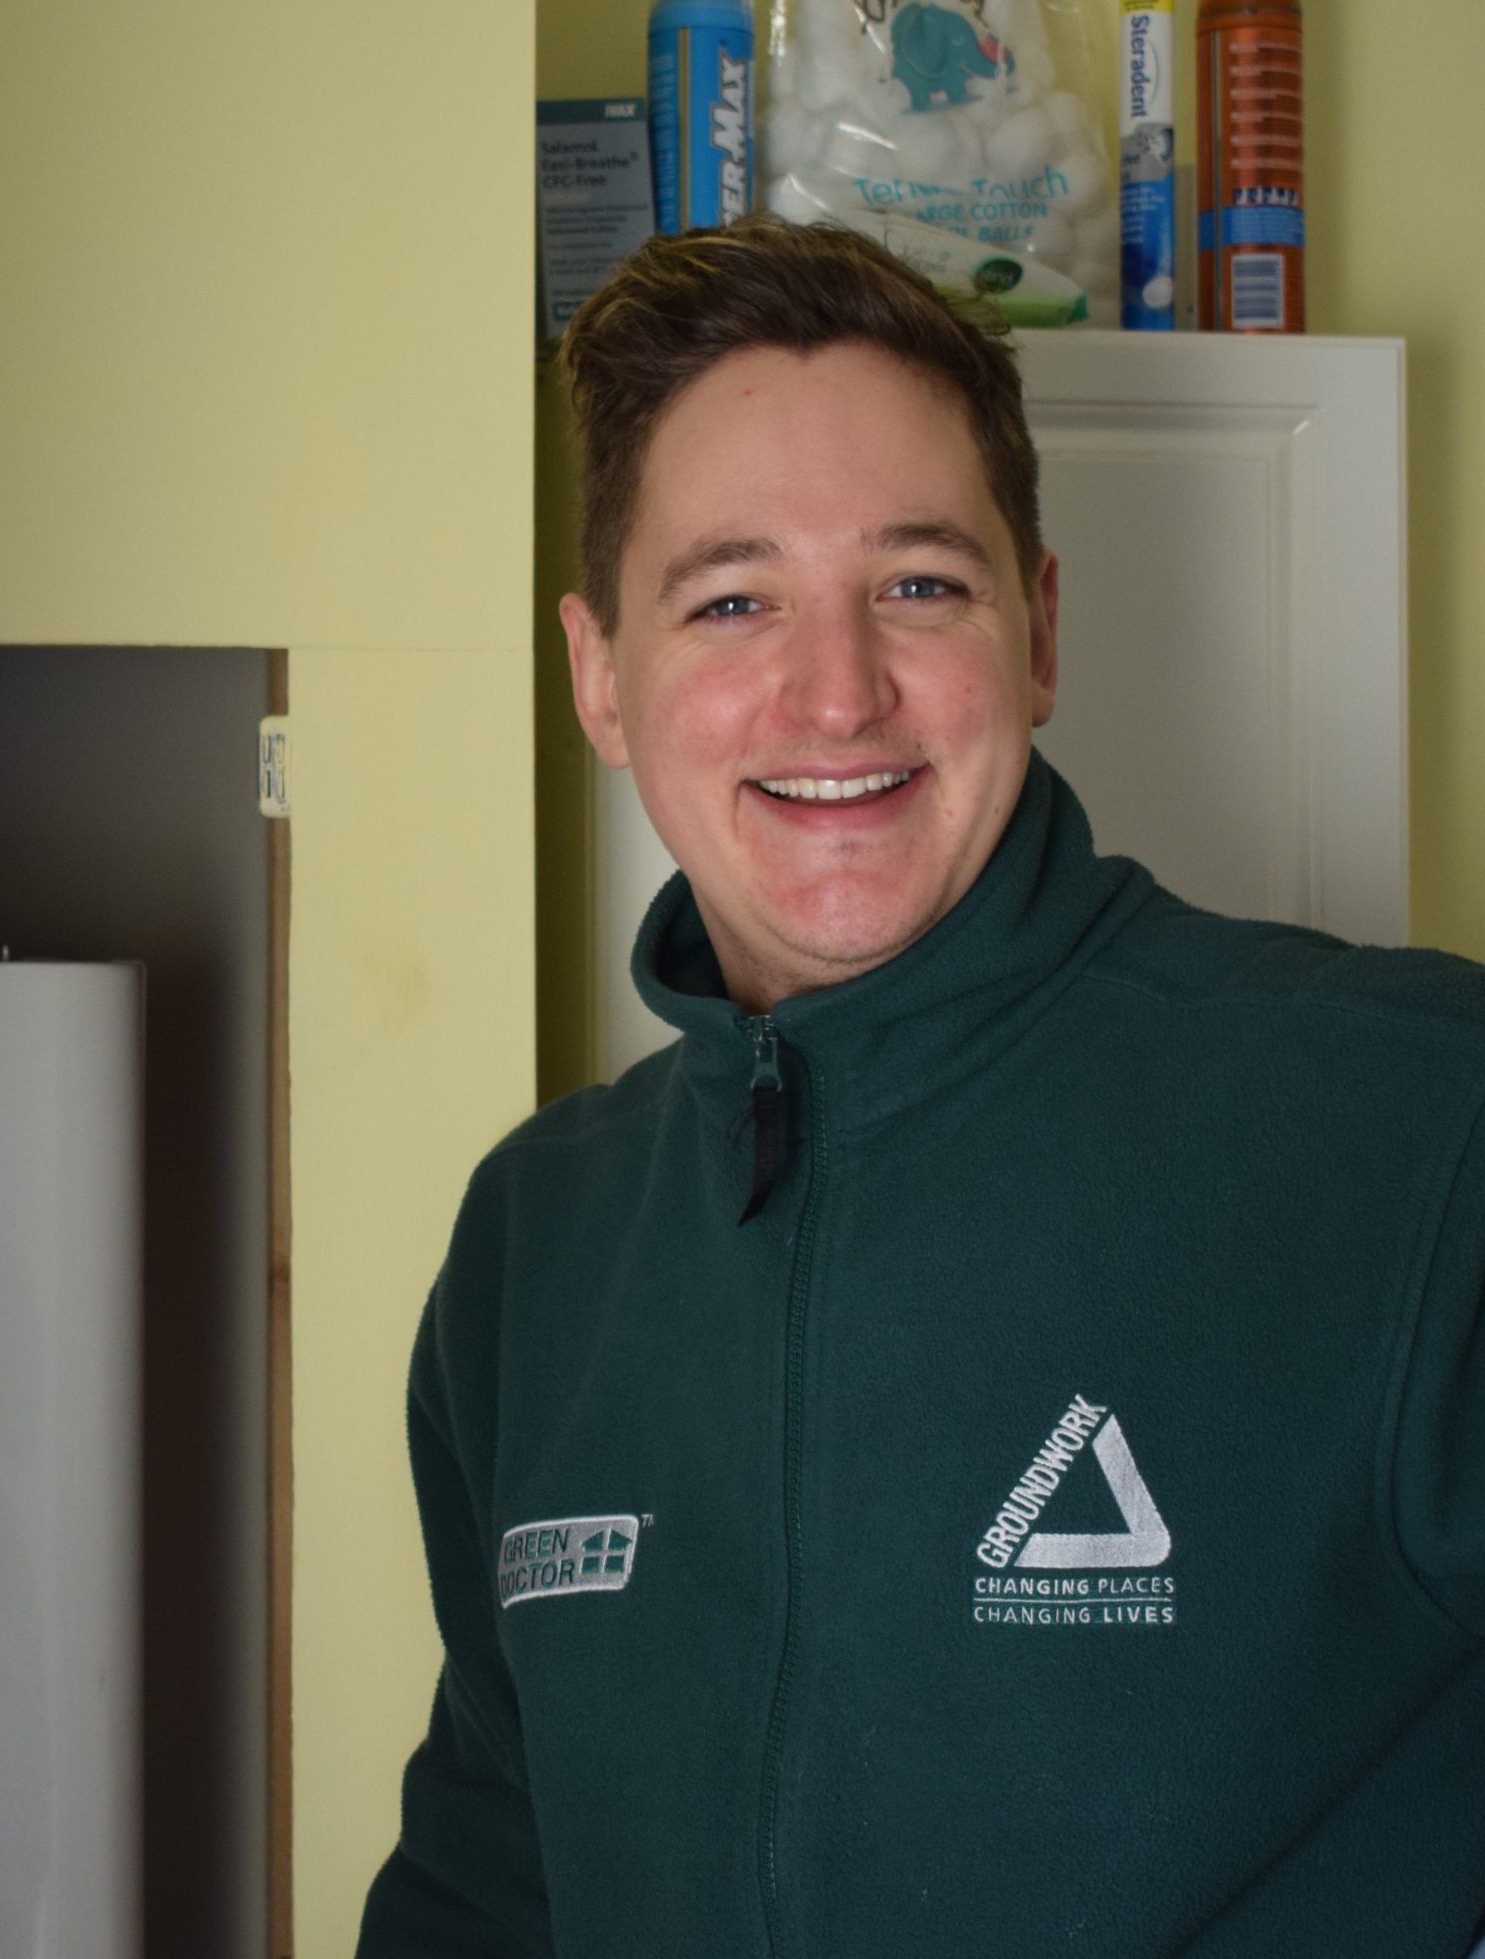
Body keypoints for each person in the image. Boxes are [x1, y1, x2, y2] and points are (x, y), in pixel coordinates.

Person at [356, 215, 1485, 1956]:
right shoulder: (536, 1242)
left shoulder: (1417, 1124)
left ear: (1038, 635)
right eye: (732, 600)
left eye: (919, 585)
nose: (837, 694)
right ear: (600, 677)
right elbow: (490, 1886)